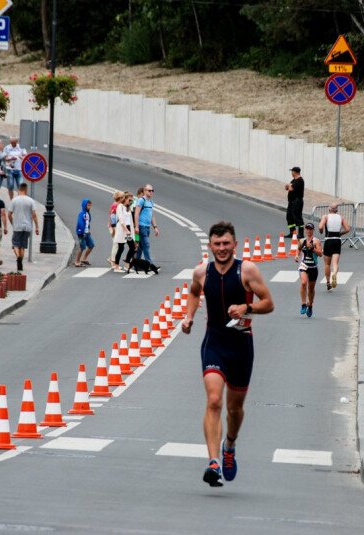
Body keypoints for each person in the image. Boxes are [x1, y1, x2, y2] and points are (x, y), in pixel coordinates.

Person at [181, 221, 274, 487]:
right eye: (217, 244)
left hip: (241, 346)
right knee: (213, 400)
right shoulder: (201, 272)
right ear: (210, 246)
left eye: (226, 244)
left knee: (235, 408)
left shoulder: (247, 270)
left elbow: (269, 303)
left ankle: (229, 446)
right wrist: (188, 317)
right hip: (215, 342)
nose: (221, 249)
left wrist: (247, 307)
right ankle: (213, 463)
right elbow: (194, 293)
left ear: (235, 244)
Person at [318, 203, 351, 291]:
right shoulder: (341, 217)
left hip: (328, 240)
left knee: (327, 264)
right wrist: (340, 233)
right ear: (337, 210)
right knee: (335, 263)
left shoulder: (325, 217)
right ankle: (334, 273)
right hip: (337, 240)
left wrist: (321, 231)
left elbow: (320, 226)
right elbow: (348, 229)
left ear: (329, 209)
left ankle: (328, 283)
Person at [8, 183, 38, 271]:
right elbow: (34, 215)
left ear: (19, 190)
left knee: (15, 244)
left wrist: (12, 223)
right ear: (26, 190)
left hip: (17, 226)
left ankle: (18, 257)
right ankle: (21, 259)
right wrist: (37, 227)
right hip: (27, 226)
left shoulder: (14, 200)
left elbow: (9, 214)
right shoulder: (31, 200)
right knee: (23, 245)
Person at [296, 222, 322, 317]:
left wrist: (313, 249)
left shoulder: (316, 241)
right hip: (304, 265)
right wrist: (297, 256)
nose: (309, 231)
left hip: (313, 267)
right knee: (303, 282)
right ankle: (303, 304)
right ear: (305, 230)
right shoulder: (302, 240)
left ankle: (310, 305)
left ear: (313, 230)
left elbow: (320, 254)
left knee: (311, 289)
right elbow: (298, 248)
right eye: (307, 229)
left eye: (310, 229)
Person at [134, 184, 158, 264]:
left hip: (147, 227)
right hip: (141, 226)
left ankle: (135, 264)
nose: (151, 192)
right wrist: (136, 227)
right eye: (149, 190)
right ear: (144, 191)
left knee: (140, 246)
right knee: (146, 245)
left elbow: (151, 215)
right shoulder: (141, 200)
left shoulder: (151, 202)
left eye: (152, 190)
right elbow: (136, 213)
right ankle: (149, 264)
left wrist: (155, 227)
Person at [113, 194, 136, 273]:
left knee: (132, 247)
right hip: (122, 230)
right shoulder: (120, 207)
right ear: (125, 199)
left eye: (131, 200)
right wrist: (126, 230)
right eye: (129, 200)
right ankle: (116, 266)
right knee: (121, 248)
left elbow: (130, 221)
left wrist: (130, 230)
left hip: (128, 230)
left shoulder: (128, 208)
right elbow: (121, 219)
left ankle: (127, 264)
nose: (130, 201)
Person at [285, 167, 305, 239]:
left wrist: (289, 186)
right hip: (291, 201)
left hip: (297, 201)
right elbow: (287, 188)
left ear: (295, 172)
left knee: (297, 217)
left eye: (292, 171)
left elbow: (290, 188)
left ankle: (301, 233)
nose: (291, 173)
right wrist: (288, 186)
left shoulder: (299, 181)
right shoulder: (294, 180)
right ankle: (292, 233)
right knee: (289, 217)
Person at [75, 198, 94, 267]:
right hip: (81, 233)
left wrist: (88, 230)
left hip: (87, 232)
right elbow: (80, 223)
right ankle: (77, 261)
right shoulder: (82, 214)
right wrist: (83, 231)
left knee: (91, 245)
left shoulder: (88, 214)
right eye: (88, 205)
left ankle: (84, 258)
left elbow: (87, 223)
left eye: (90, 205)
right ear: (84, 205)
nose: (89, 207)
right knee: (82, 247)